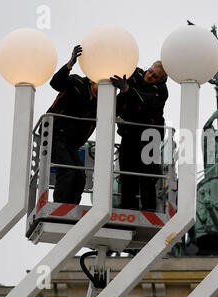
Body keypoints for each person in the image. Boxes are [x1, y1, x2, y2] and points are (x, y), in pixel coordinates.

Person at [110, 61, 168, 211]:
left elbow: (147, 100)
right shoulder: (136, 74)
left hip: (150, 137)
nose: (149, 76)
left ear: (160, 80)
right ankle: (128, 210)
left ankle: (149, 211)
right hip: (130, 135)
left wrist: (127, 89)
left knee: (148, 177)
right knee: (127, 176)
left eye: (154, 76)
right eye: (149, 71)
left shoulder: (161, 90)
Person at [47, 45, 98, 204]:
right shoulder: (77, 82)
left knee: (80, 177)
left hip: (72, 143)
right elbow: (55, 83)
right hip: (55, 134)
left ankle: (72, 209)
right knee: (67, 171)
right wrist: (70, 63)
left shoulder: (104, 102)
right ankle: (60, 208)